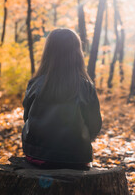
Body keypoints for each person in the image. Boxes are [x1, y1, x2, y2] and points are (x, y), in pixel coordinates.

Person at [22, 28, 102, 169]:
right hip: (76, 158)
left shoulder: (35, 84)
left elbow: (27, 118)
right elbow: (95, 125)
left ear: (48, 52)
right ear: (77, 53)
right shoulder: (86, 86)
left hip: (37, 156)